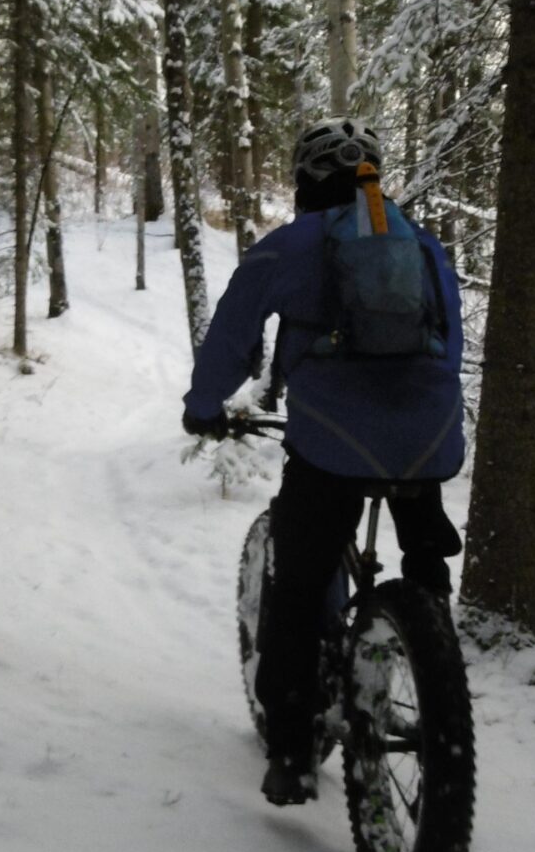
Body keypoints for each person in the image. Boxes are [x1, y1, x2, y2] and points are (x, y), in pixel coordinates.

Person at [183, 121, 466, 807]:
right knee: (422, 549)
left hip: (331, 443)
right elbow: (448, 346)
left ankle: (291, 750)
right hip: (427, 438)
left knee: (298, 583)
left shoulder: (286, 247)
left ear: (304, 181)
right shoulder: (423, 245)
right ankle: (431, 657)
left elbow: (231, 336)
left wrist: (203, 404)